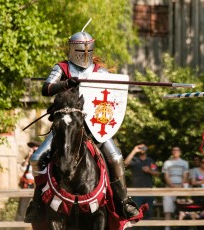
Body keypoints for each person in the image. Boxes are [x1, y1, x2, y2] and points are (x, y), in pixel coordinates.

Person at [25, 30, 139, 223]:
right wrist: (65, 83)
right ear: (72, 48)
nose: (84, 53)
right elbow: (46, 89)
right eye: (80, 49)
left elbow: (110, 97)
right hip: (67, 125)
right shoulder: (62, 68)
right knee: (37, 158)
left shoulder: (100, 72)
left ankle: (123, 201)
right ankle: (36, 202)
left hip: (92, 126)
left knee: (116, 157)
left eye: (88, 49)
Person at [124, 144, 160, 220]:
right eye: (140, 148)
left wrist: (149, 171)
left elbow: (157, 173)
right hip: (137, 191)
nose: (142, 149)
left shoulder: (150, 161)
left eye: (144, 147)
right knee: (135, 213)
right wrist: (134, 150)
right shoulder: (134, 159)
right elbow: (125, 164)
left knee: (148, 213)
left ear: (147, 149)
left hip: (148, 191)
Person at [162, 146, 189, 230]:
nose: (175, 151)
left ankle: (180, 227)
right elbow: (166, 176)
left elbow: (185, 175)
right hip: (169, 188)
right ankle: (167, 227)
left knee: (182, 208)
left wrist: (180, 185)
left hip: (181, 188)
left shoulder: (184, 163)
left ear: (180, 152)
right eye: (174, 150)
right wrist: (172, 185)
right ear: (172, 152)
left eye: (177, 150)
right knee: (167, 208)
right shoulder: (167, 163)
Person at [15, 141, 40, 221]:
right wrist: (29, 156)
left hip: (36, 186)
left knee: (36, 206)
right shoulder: (27, 159)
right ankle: (19, 225)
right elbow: (22, 168)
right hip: (27, 185)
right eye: (32, 149)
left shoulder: (41, 160)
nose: (33, 151)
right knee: (22, 206)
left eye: (35, 149)